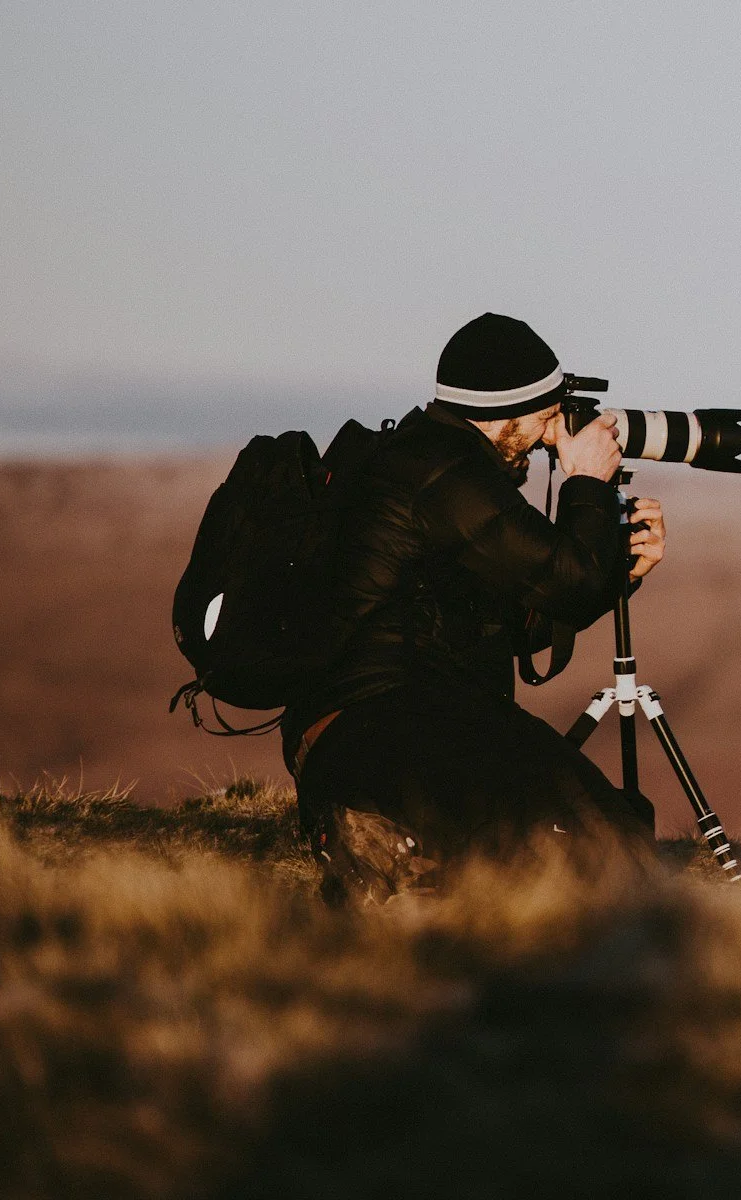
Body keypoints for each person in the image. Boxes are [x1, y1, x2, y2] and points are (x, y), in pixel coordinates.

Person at [282, 312, 669, 896]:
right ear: (504, 414)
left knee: (596, 831)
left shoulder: (436, 464)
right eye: (543, 418)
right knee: (599, 842)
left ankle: (390, 839)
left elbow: (525, 624)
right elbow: (568, 580)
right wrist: (586, 483)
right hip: (390, 722)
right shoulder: (445, 474)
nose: (548, 437)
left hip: (389, 726)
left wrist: (623, 572)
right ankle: (373, 836)